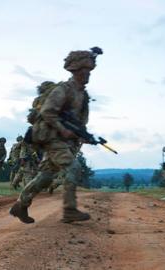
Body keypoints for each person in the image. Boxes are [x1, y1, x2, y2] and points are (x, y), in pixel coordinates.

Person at [10, 47, 103, 224]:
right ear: (75, 71)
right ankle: (69, 210)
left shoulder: (82, 95)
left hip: (64, 140)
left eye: (89, 72)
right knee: (73, 167)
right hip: (52, 137)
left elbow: (80, 123)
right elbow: (47, 112)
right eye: (84, 71)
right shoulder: (63, 89)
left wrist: (83, 136)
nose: (87, 75)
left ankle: (20, 205)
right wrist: (62, 129)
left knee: (45, 176)